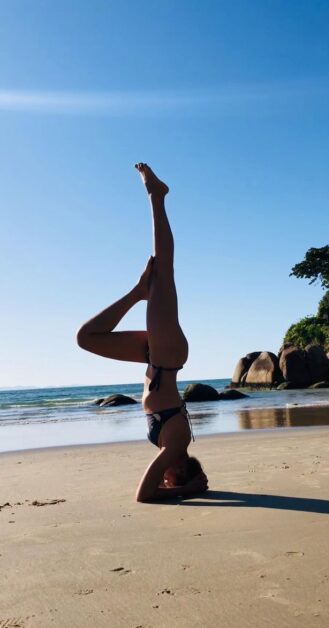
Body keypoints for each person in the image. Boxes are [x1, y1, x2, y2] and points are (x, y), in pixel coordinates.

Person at [76, 163, 208, 501]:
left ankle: (137, 292)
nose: (165, 482)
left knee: (86, 339)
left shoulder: (172, 449)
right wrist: (187, 491)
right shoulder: (176, 445)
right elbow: (144, 495)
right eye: (170, 482)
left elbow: (153, 489)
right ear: (179, 472)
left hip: (155, 359)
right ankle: (157, 197)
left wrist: (138, 295)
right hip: (166, 358)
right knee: (164, 271)